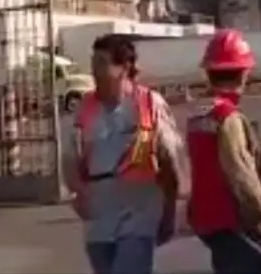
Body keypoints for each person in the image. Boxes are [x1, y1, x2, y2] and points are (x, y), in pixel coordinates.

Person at [63, 34, 182, 274]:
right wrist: (76, 193)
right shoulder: (85, 109)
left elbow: (169, 161)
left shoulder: (149, 105)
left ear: (124, 68)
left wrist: (170, 211)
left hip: (138, 216)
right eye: (93, 62)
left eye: (102, 63)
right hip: (99, 222)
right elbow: (70, 159)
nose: (94, 71)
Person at [186, 29, 261, 274]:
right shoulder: (228, 117)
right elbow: (239, 169)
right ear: (243, 73)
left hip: (206, 216)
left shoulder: (199, 113)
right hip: (233, 217)